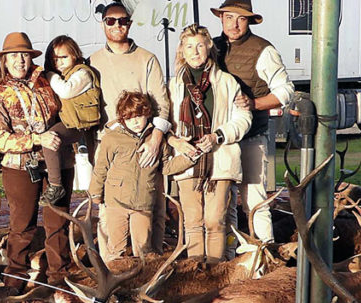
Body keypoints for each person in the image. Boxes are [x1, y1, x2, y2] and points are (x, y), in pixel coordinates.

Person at [0, 31, 73, 302]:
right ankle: (16, 279)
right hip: (20, 167)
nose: (20, 61)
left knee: (58, 221)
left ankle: (59, 279)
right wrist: (37, 139)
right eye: (14, 56)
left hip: (58, 162)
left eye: (24, 55)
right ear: (4, 62)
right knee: (22, 225)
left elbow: (69, 110)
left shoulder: (49, 84)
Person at [88, 1, 173, 253]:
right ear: (103, 23)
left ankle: (151, 273)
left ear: (130, 23)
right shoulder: (92, 62)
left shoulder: (147, 59)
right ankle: (110, 275)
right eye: (111, 21)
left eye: (122, 20)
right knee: (109, 216)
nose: (117, 25)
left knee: (151, 214)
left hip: (146, 147)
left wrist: (156, 139)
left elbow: (162, 104)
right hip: (111, 149)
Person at [211, 0, 294, 245]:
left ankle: (264, 253)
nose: (234, 24)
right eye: (229, 17)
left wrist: (254, 103)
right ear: (221, 18)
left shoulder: (264, 50)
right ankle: (232, 254)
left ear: (249, 20)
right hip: (219, 140)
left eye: (241, 18)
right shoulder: (211, 47)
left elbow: (285, 91)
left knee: (254, 200)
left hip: (251, 136)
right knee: (223, 202)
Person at [168, 25, 251, 264]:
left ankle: (214, 273)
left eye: (200, 45)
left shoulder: (226, 82)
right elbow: (165, 122)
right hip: (188, 160)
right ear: (182, 50)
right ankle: (196, 273)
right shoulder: (174, 86)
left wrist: (217, 136)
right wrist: (176, 141)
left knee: (215, 220)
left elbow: (243, 118)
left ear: (209, 47)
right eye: (190, 47)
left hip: (220, 158)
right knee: (193, 221)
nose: (195, 52)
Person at [89, 91, 193, 260]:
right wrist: (95, 193)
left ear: (148, 114)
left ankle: (144, 282)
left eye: (139, 116)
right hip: (116, 203)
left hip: (143, 204)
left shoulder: (157, 140)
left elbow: (166, 167)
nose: (135, 122)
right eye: (129, 118)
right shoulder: (112, 139)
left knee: (144, 249)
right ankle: (114, 282)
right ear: (122, 119)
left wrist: (189, 158)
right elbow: (101, 168)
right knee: (116, 249)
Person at [39, 35, 101, 207]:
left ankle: (56, 186)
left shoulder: (82, 74)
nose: (59, 62)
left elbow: (66, 91)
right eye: (54, 59)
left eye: (64, 57)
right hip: (68, 122)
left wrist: (50, 75)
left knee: (50, 138)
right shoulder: (63, 74)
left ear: (75, 55)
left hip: (77, 125)